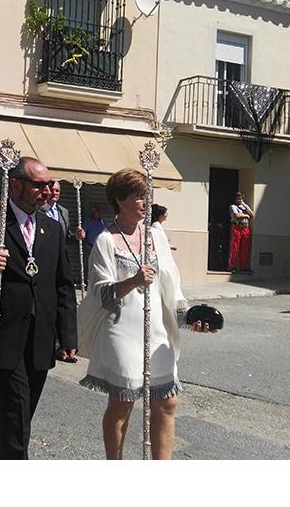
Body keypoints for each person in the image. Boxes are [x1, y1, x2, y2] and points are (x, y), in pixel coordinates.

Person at [77, 168, 214, 460]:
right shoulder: (105, 240)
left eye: (146, 195)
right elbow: (100, 294)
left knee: (167, 402)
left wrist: (188, 317)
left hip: (157, 330)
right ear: (120, 201)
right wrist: (133, 281)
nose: (145, 201)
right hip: (122, 330)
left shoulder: (156, 236)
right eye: (138, 196)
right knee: (121, 405)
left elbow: (172, 285)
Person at [0, 157, 77, 459]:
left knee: (17, 417)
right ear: (16, 184)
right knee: (15, 416)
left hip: (40, 339)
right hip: (3, 336)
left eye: (49, 185)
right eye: (39, 185)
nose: (47, 191)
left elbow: (63, 284)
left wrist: (69, 335)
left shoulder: (52, 228)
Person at [228, 192, 254, 273]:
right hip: (237, 228)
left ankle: (243, 266)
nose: (239, 200)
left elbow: (252, 214)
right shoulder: (233, 207)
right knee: (235, 248)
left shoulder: (245, 207)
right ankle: (232, 266)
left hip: (245, 229)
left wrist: (245, 205)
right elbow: (237, 216)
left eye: (241, 198)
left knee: (245, 249)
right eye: (238, 198)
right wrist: (246, 215)